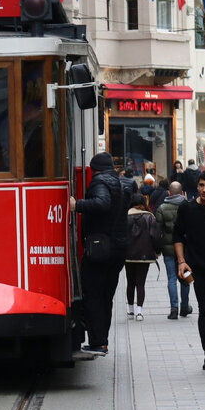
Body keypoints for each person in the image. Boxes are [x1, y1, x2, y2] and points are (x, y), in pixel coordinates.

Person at [71, 152, 129, 355]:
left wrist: (77, 205)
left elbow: (102, 203)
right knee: (106, 296)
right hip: (118, 248)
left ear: (94, 170)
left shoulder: (99, 182)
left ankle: (97, 342)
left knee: (93, 295)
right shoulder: (121, 184)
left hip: (100, 249)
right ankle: (102, 341)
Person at [173, 169, 205, 370]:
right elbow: (177, 236)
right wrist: (181, 261)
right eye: (201, 185)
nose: (204, 189)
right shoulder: (187, 208)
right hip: (197, 268)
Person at [156, 181, 192, 320]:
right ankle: (185, 306)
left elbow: (158, 230)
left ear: (169, 193)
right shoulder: (188, 206)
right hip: (186, 248)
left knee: (171, 278)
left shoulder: (162, 208)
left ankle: (174, 308)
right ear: (183, 192)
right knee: (186, 276)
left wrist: (157, 249)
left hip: (168, 248)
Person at [124, 193, 160, 322]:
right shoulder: (150, 217)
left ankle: (130, 309)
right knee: (141, 282)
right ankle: (139, 311)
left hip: (128, 254)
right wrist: (157, 251)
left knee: (130, 282)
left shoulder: (125, 216)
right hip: (145, 254)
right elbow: (155, 236)